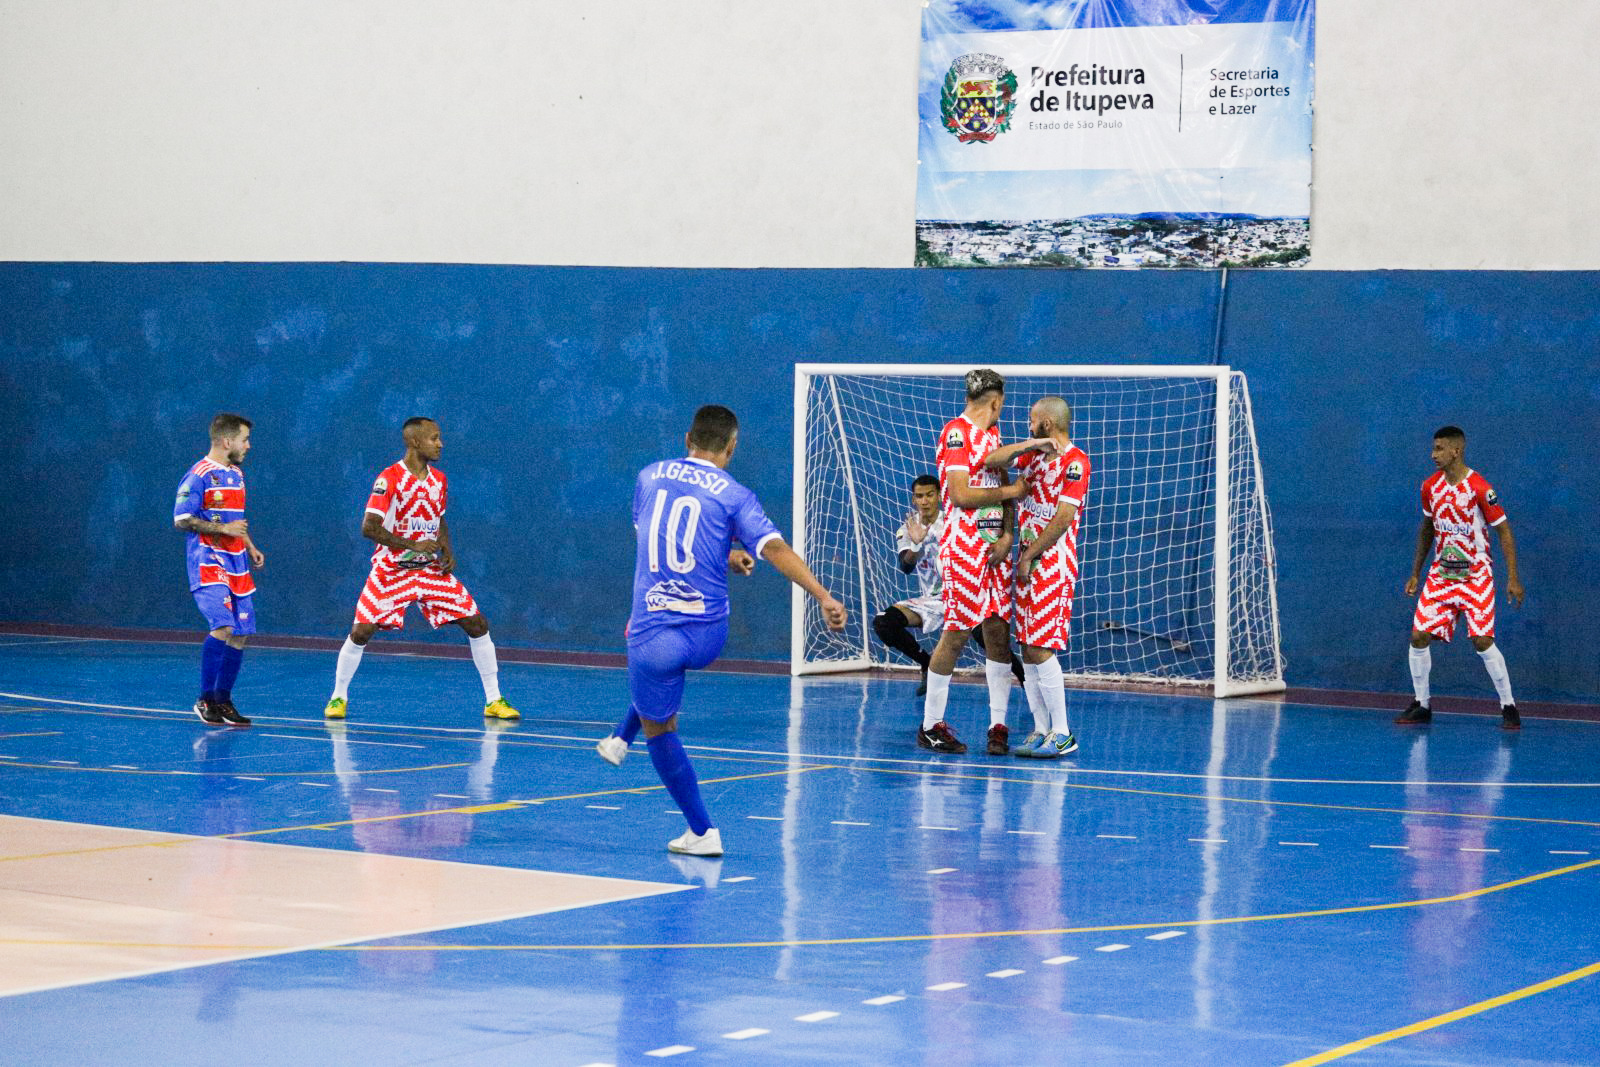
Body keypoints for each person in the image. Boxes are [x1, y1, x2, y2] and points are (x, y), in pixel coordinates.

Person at [596, 404, 846, 856]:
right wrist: (822, 595)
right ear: (731, 448)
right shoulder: (735, 494)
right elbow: (775, 549)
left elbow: (657, 540)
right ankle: (618, 738)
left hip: (656, 637)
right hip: (710, 634)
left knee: (662, 724)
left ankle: (701, 832)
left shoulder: (649, 476)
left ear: (686, 439)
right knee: (660, 680)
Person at [323, 417, 519, 722]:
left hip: (428, 571)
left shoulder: (439, 479)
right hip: (392, 571)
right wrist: (411, 545)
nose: (440, 444)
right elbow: (369, 528)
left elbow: (438, 518)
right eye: (434, 438)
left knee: (478, 624)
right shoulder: (388, 479)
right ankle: (338, 697)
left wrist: (447, 550)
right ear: (415, 442)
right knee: (361, 631)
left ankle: (494, 700)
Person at [917, 369, 1029, 756]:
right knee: (958, 632)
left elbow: (1003, 496)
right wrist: (1013, 488)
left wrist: (1009, 535)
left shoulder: (993, 436)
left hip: (995, 548)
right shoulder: (957, 433)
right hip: (964, 549)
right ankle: (931, 725)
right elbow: (962, 495)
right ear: (996, 401)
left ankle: (998, 725)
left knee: (998, 632)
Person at [1397, 426, 1525, 730]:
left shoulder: (1480, 488)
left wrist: (1513, 578)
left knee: (1482, 641)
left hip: (1475, 576)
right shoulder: (1429, 487)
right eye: (1433, 448)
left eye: (1440, 449)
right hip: (1442, 575)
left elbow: (1503, 530)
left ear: (1457, 450)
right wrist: (1416, 572)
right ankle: (1422, 704)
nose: (1433, 455)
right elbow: (1427, 528)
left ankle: (1509, 706)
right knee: (1418, 635)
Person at [984, 396, 1090, 758]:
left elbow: (1062, 519)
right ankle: (1041, 728)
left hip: (1052, 565)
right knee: (1028, 649)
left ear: (1046, 422)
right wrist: (1032, 445)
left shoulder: (1075, 463)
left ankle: (1062, 732)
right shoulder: (1033, 457)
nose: (1027, 425)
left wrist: (1029, 554)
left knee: (1041, 647)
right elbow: (992, 460)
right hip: (1027, 566)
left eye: (1032, 421)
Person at [871, 475, 1024, 695]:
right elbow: (905, 567)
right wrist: (916, 544)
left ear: (940, 496)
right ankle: (925, 662)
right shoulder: (909, 527)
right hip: (933, 600)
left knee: (988, 636)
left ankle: (1024, 678)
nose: (925, 501)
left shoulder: (954, 523)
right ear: (914, 500)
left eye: (930, 495)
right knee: (883, 622)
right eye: (919, 496)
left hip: (962, 594)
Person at [174, 413, 265, 727]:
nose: (248, 446)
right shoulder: (197, 475)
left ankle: (223, 700)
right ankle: (205, 698)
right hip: (208, 561)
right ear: (227, 442)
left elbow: (236, 519)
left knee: (240, 635)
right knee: (223, 626)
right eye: (244, 440)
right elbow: (181, 520)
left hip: (237, 562)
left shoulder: (237, 475)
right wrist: (224, 529)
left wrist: (250, 545)